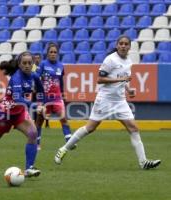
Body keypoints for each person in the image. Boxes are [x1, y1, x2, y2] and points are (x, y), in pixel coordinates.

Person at [54, 35, 161, 170]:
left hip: (120, 100)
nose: (123, 46)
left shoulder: (129, 61)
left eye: (126, 44)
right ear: (117, 45)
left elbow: (123, 78)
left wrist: (128, 89)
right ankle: (63, 149)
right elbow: (99, 79)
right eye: (121, 43)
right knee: (90, 128)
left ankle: (143, 162)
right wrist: (120, 79)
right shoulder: (110, 60)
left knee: (133, 128)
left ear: (129, 47)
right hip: (105, 99)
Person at [35, 43, 72, 150]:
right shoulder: (42, 64)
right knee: (39, 121)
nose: (53, 54)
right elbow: (36, 76)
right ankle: (36, 143)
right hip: (44, 98)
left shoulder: (60, 66)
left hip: (56, 97)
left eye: (55, 52)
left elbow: (60, 81)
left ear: (58, 54)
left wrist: (63, 92)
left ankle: (69, 142)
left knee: (63, 118)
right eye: (51, 52)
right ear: (47, 53)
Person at [32, 53, 50, 129]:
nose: (37, 59)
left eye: (38, 58)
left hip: (43, 89)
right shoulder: (32, 67)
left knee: (45, 106)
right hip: (35, 89)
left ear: (40, 59)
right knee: (35, 105)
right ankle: (35, 121)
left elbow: (47, 77)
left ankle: (47, 122)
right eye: (35, 58)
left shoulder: (44, 66)